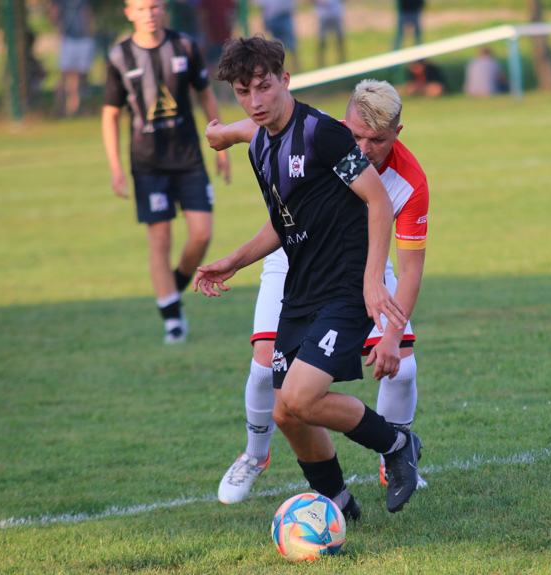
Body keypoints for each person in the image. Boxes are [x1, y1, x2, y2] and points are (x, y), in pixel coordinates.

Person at [195, 36, 423, 518]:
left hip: (342, 288)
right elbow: (285, 221)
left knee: (301, 396)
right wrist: (234, 259)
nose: (255, 101)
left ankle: (396, 442)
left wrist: (370, 282)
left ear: (285, 80)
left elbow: (378, 202)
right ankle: (339, 501)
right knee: (286, 413)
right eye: (243, 91)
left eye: (263, 86)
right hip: (300, 290)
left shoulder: (324, 133)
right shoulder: (260, 148)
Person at [101, 0, 230, 344]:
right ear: (128, 12)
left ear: (164, 10)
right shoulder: (118, 57)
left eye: (155, 6)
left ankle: (170, 289)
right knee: (160, 240)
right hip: (147, 164)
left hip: (188, 159)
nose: (149, 13)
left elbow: (206, 96)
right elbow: (110, 114)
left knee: (201, 235)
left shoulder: (185, 46)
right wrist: (115, 167)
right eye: (141, 8)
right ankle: (172, 319)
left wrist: (222, 144)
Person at [50, 0, 96, 117]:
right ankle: (59, 107)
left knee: (77, 75)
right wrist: (59, 31)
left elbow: (86, 14)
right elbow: (54, 13)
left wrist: (88, 31)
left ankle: (73, 109)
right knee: (64, 74)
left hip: (82, 38)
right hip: (68, 38)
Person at [198, 0, 238, 101]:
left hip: (224, 40)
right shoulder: (208, 2)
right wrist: (206, 38)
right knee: (210, 70)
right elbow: (203, 17)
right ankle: (207, 97)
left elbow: (231, 18)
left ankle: (223, 98)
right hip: (212, 40)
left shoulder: (229, 2)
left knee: (225, 70)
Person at [258, 0, 299, 73]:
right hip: (273, 18)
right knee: (276, 46)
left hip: (284, 16)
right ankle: (281, 68)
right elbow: (264, 7)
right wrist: (265, 21)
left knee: (291, 45)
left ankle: (296, 67)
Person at [313, 0, 344, 69]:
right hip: (323, 14)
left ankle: (342, 60)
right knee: (322, 40)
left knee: (340, 39)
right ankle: (320, 62)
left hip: (336, 12)